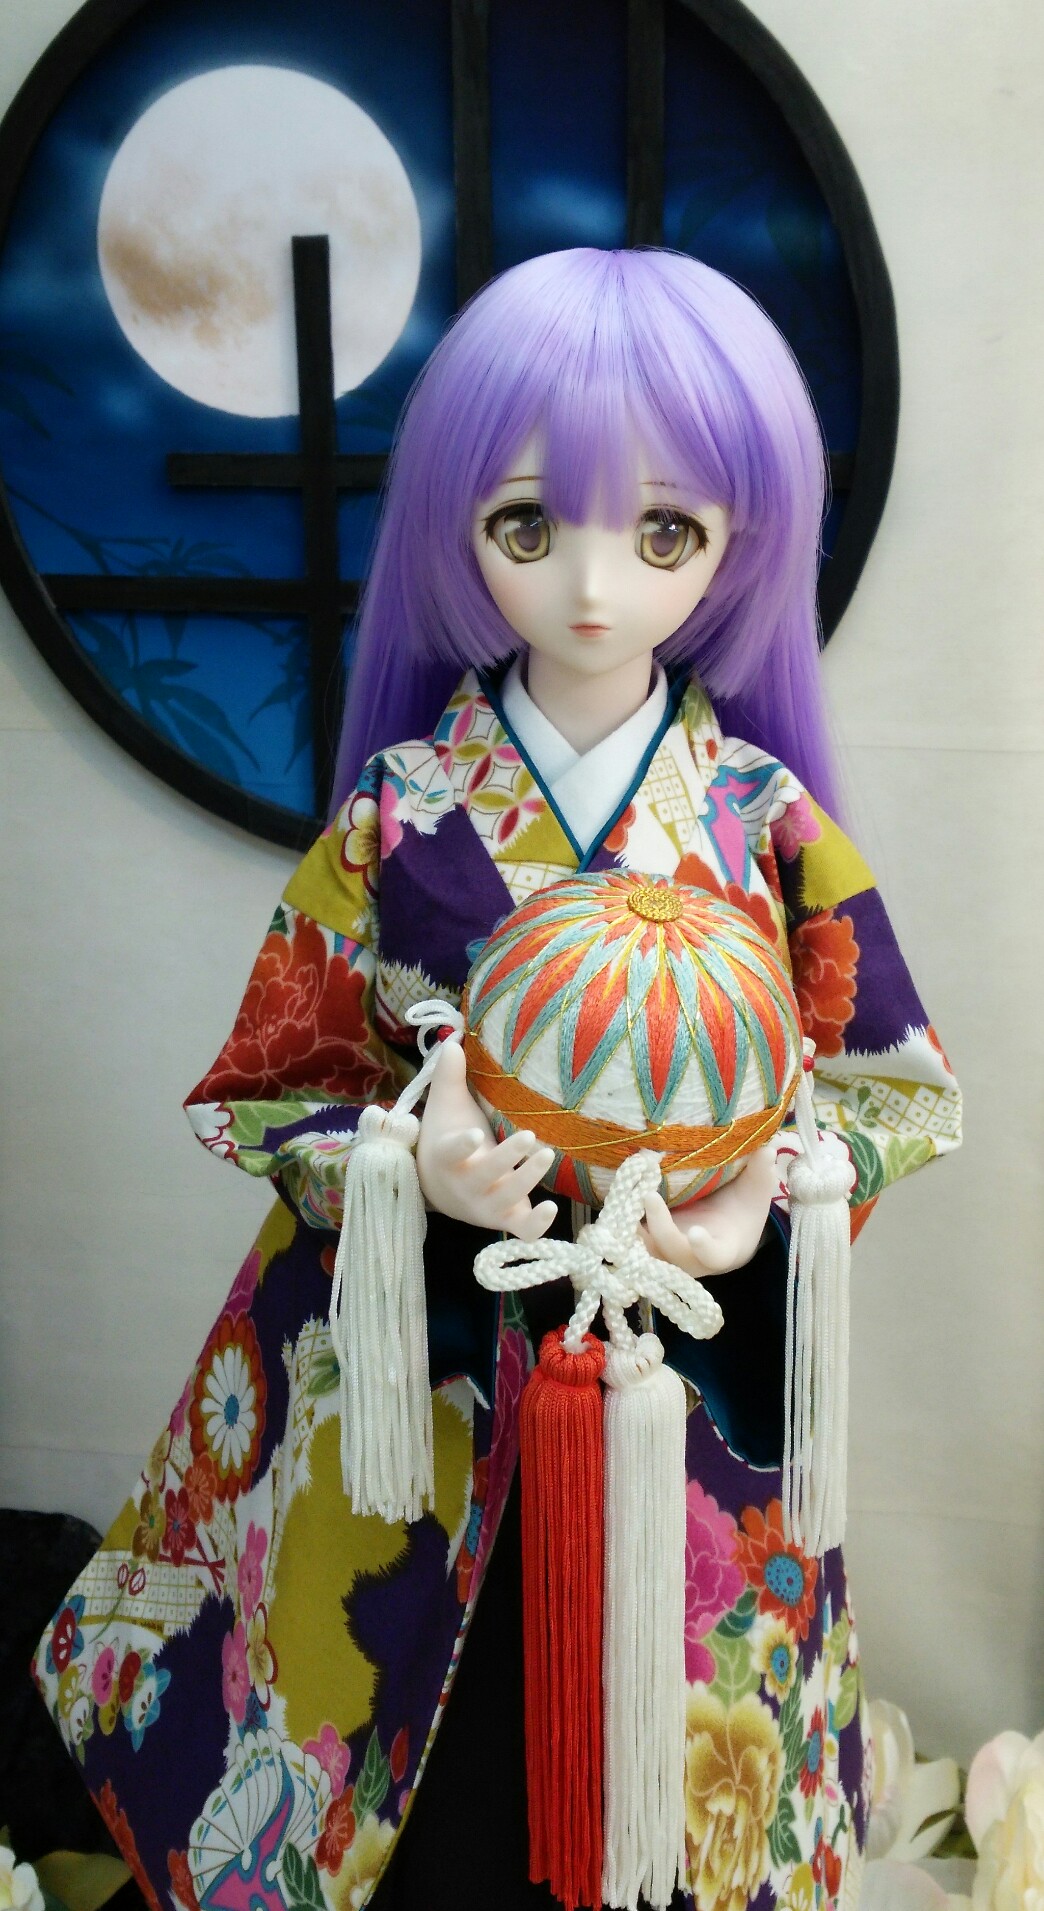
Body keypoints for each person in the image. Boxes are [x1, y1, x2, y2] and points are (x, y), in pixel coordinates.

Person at [34, 249, 961, 1911]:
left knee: (673, 1777)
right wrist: (404, 1165)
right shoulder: (402, 810)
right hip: (416, 1372)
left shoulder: (759, 820)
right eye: (530, 525)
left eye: (664, 533)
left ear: (738, 544)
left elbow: (895, 1088)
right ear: (459, 528)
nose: (593, 586)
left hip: (687, 1368)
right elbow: (270, 1085)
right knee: (413, 1774)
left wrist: (765, 1196)